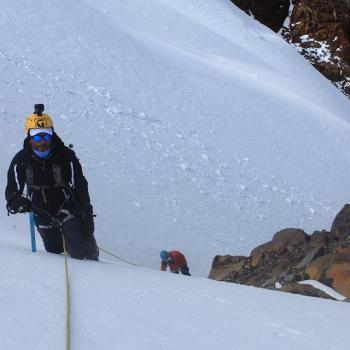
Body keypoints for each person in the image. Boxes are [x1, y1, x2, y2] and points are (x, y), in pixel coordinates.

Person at [5, 104, 99, 260]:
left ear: (52, 135)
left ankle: (96, 272)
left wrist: (86, 212)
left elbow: (80, 185)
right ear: (29, 138)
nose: (42, 141)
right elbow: (12, 192)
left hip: (68, 210)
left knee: (82, 254)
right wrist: (17, 202)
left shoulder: (66, 156)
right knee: (54, 251)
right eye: (36, 136)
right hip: (41, 212)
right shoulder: (21, 161)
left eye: (46, 135)